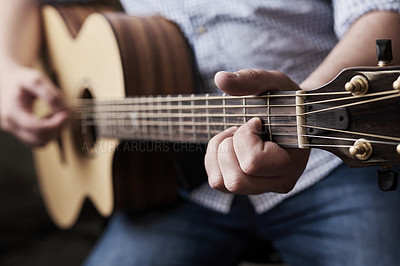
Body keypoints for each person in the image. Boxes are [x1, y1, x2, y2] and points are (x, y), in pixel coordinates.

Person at [1, 0, 400, 265]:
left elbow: (383, 15)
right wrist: (7, 68)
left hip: (332, 157)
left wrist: (305, 105)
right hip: (169, 185)